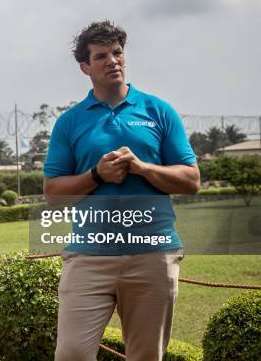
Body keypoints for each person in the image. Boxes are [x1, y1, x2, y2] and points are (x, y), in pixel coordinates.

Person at [43, 21, 200, 361]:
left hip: (153, 255)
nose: (112, 61)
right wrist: (96, 175)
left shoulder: (158, 111)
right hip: (88, 256)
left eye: (117, 53)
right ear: (84, 67)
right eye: (101, 56)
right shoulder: (70, 122)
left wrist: (143, 168)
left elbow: (191, 180)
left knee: (146, 356)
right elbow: (53, 193)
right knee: (71, 353)